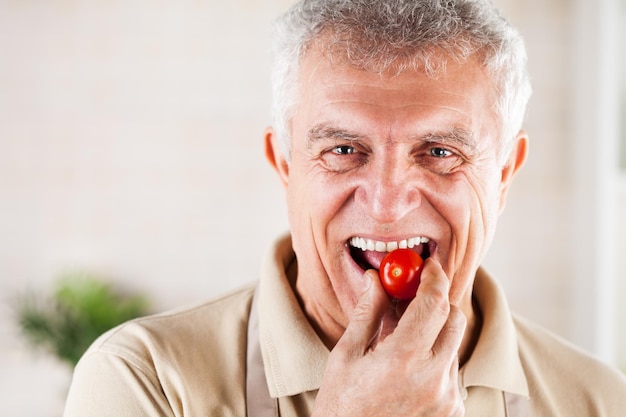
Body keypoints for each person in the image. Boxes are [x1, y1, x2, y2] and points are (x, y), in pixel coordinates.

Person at [63, 0, 626, 416]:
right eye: (343, 150)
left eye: (438, 152)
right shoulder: (143, 381)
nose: (386, 204)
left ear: (503, 175)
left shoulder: (598, 400)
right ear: (285, 164)